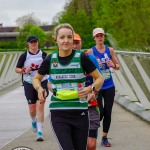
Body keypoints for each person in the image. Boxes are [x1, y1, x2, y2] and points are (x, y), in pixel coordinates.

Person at [32, 23, 104, 150]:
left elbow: (99, 78)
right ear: (56, 39)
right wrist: (39, 88)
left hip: (80, 113)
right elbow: (36, 79)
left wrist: (90, 88)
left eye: (69, 37)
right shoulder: (50, 59)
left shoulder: (82, 57)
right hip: (59, 114)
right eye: (62, 37)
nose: (66, 41)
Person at [87, 28, 120, 147]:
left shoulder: (110, 50)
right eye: (97, 36)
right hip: (98, 86)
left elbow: (118, 66)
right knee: (100, 112)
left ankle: (104, 137)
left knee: (108, 112)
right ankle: (91, 131)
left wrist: (113, 65)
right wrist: (96, 67)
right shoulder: (90, 52)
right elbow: (87, 70)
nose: (100, 38)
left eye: (101, 35)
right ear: (94, 38)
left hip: (109, 85)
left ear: (104, 37)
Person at [15, 35, 49, 141]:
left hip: (42, 82)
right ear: (28, 44)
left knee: (41, 105)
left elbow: (49, 68)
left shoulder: (43, 55)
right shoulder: (24, 56)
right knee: (32, 108)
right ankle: (34, 120)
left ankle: (40, 132)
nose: (33, 44)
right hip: (29, 83)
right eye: (31, 42)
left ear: (38, 43)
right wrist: (24, 70)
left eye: (35, 42)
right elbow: (17, 69)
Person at [73, 33, 102, 150]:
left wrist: (94, 92)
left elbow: (100, 79)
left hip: (90, 104)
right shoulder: (61, 61)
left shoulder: (91, 58)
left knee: (91, 145)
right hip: (72, 107)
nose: (74, 45)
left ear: (81, 43)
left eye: (77, 42)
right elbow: (51, 83)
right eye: (72, 42)